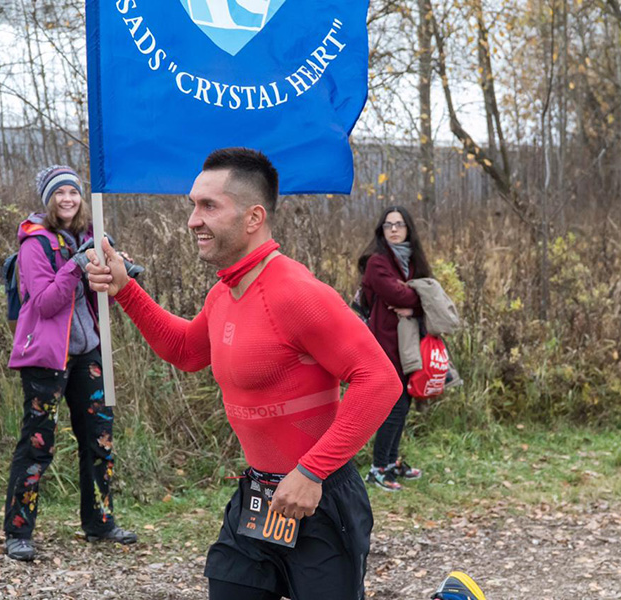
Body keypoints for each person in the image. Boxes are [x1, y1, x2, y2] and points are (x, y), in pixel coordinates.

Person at [86, 148, 401, 600]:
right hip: (257, 499)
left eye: (209, 206)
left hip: (320, 498)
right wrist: (125, 289)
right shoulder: (225, 293)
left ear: (254, 217)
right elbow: (187, 351)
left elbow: (380, 379)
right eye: (193, 205)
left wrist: (311, 473)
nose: (193, 219)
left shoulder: (297, 294)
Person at [3, 165, 137, 561]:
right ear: (48, 199)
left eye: (73, 193)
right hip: (46, 358)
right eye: (59, 193)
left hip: (87, 354)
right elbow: (44, 303)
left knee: (99, 440)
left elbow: (99, 301)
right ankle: (18, 532)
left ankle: (100, 522)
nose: (67, 199)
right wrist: (75, 265)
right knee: (37, 444)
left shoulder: (88, 237)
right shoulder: (35, 244)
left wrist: (120, 274)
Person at [358, 206, 433, 491]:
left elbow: (428, 289)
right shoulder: (378, 263)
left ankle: (391, 462)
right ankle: (378, 469)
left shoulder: (412, 261)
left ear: (408, 229)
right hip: (384, 343)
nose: (394, 229)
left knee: (405, 403)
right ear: (382, 230)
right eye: (388, 225)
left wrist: (415, 300)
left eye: (399, 224)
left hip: (409, 344)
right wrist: (420, 295)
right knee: (395, 405)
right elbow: (397, 292)